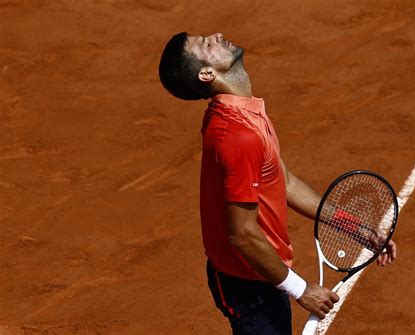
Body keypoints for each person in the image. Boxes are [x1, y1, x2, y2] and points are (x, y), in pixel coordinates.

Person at [158, 32, 397, 335]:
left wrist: (356, 228)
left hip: (264, 271)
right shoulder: (237, 134)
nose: (217, 36)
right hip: (247, 282)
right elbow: (242, 234)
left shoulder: (246, 112)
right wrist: (300, 289)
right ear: (207, 74)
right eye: (206, 44)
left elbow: (285, 182)